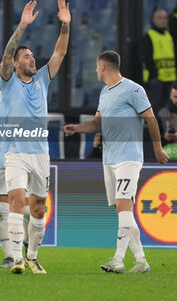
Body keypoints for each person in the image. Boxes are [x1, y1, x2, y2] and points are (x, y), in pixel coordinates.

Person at [64, 50, 168, 274]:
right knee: (122, 211)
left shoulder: (133, 89)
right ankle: (141, 261)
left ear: (102, 67)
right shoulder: (104, 92)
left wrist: (157, 147)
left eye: (96, 67)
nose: (95, 70)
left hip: (128, 157)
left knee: (123, 206)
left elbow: (150, 118)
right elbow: (96, 124)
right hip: (109, 159)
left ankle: (118, 259)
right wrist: (77, 129)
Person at [0, 0, 71, 274]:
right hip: (16, 152)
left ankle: (32, 255)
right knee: (17, 199)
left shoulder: (42, 78)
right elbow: (6, 57)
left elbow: (60, 54)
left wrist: (65, 25)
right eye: (27, 57)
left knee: (39, 210)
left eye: (32, 57)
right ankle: (16, 258)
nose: (32, 59)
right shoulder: (8, 82)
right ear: (16, 64)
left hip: (41, 154)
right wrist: (22, 27)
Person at [0, 91, 31, 267]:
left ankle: (28, 247)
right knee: (2, 212)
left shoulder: (29, 95)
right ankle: (10, 257)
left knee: (24, 211)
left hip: (22, 160)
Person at [142, 9, 177, 115]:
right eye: (159, 18)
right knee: (155, 108)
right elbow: (147, 58)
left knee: (168, 110)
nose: (163, 21)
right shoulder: (149, 35)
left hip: (170, 79)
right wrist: (154, 75)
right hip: (156, 80)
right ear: (153, 20)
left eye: (164, 18)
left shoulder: (169, 36)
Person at [158, 81, 177, 159]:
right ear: (170, 96)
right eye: (175, 97)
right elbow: (153, 141)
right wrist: (165, 138)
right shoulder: (162, 114)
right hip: (168, 158)